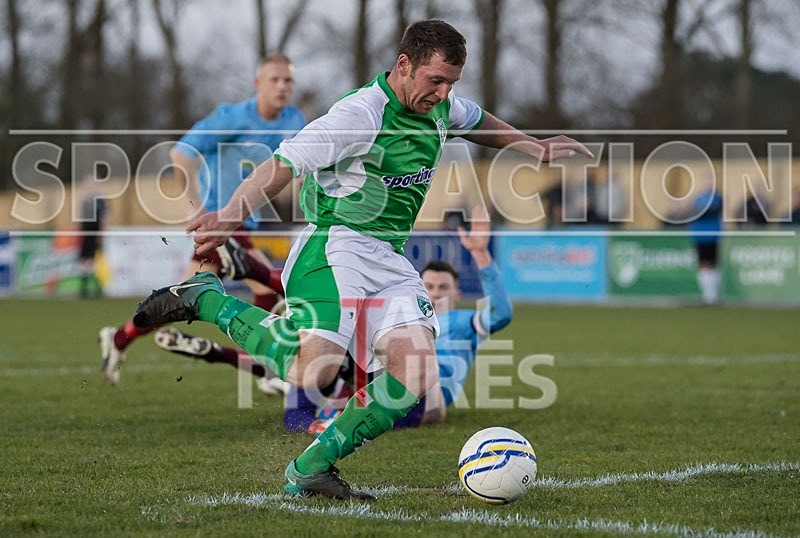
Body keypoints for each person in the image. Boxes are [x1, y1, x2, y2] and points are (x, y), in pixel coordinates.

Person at [131, 19, 591, 500]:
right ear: (404, 65)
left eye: (452, 82)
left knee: (415, 373)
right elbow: (282, 164)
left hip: (388, 257)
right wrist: (228, 215)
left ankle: (310, 468)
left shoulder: (440, 107)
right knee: (315, 372)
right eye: (436, 80)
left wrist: (533, 147)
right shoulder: (359, 115)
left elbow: (478, 123)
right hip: (335, 244)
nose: (443, 92)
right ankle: (207, 299)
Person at [154, 207, 513, 431]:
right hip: (375, 371)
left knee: (416, 385)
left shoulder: (464, 323)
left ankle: (228, 331)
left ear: (457, 293)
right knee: (331, 330)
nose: (435, 293)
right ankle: (247, 284)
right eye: (429, 285)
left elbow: (500, 313)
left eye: (443, 288)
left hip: (424, 396)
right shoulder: (400, 315)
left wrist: (481, 255)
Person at [99, 52, 306, 385]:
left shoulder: (295, 121)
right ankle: (268, 368)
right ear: (257, 84)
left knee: (182, 300)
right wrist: (194, 207)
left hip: (242, 225)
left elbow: (296, 171)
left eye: (288, 81)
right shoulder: (230, 117)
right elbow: (180, 154)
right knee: (273, 284)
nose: (282, 86)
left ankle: (119, 338)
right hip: (217, 225)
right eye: (274, 80)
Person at [688, 180, 723, 304]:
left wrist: (699, 211)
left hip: (711, 236)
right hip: (699, 236)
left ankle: (712, 296)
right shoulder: (697, 198)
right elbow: (692, 213)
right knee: (703, 264)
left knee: (712, 264)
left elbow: (707, 211)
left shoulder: (717, 199)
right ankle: (707, 295)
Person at [76, 176, 108, 298]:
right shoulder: (85, 201)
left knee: (95, 260)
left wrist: (100, 234)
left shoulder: (100, 201)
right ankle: (84, 287)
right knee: (84, 260)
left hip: (94, 234)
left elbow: (104, 219)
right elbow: (82, 220)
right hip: (86, 235)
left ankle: (98, 288)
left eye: (91, 185)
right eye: (87, 185)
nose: (89, 187)